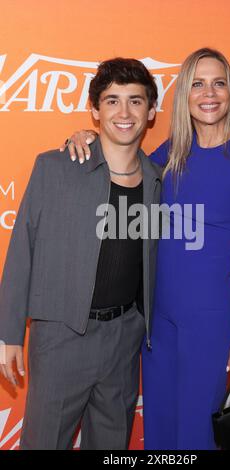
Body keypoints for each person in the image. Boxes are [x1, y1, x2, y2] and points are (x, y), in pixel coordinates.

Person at [62, 48, 230, 450]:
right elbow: (122, 162)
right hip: (156, 318)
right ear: (185, 95)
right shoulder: (172, 152)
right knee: (159, 430)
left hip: (211, 319)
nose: (208, 93)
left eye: (218, 83)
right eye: (197, 83)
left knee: (196, 434)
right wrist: (88, 137)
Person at [0, 58, 161, 449]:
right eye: (112, 101)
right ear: (94, 111)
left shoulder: (159, 178)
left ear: (151, 112)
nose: (124, 112)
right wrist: (8, 334)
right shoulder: (56, 167)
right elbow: (23, 248)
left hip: (125, 338)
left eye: (136, 101)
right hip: (61, 336)